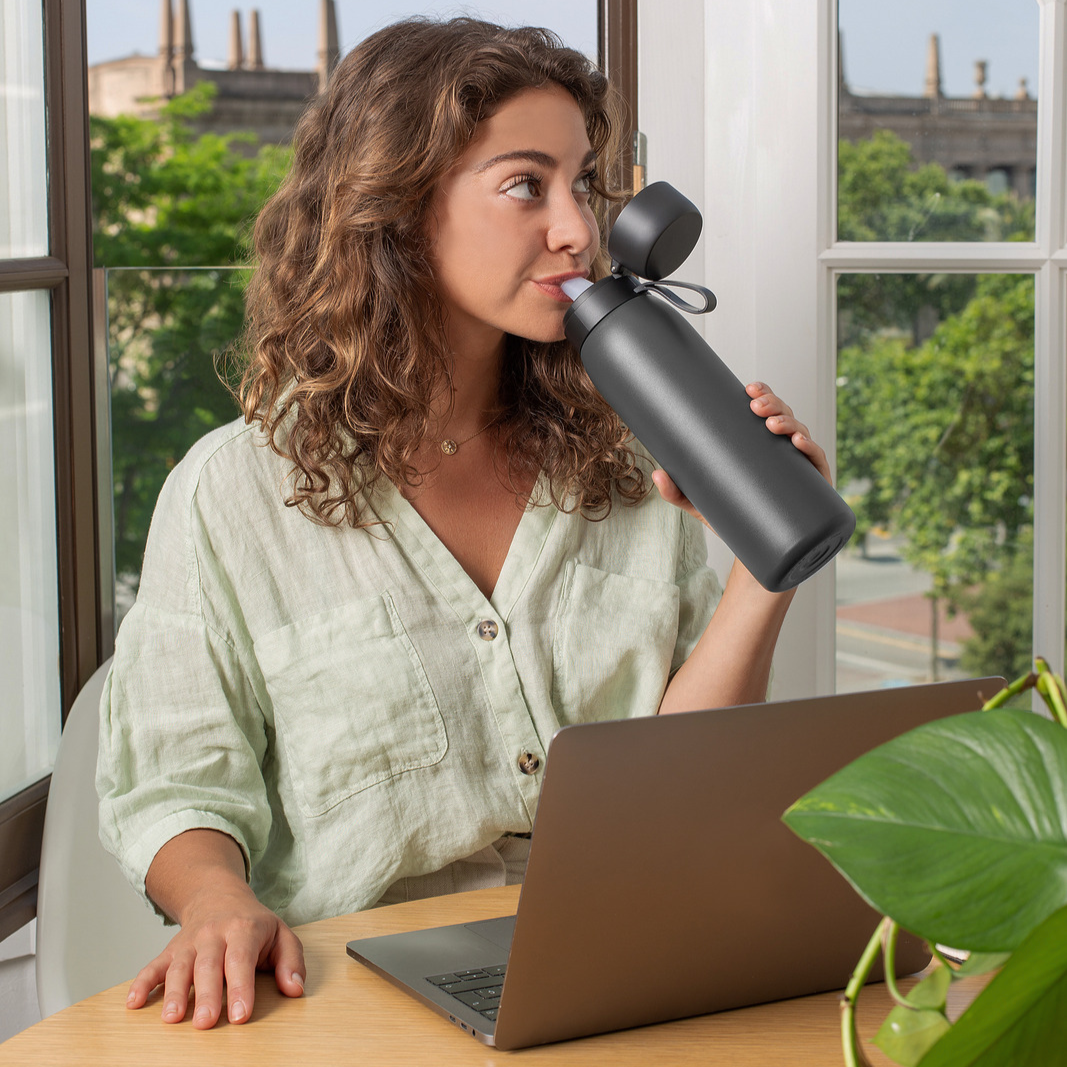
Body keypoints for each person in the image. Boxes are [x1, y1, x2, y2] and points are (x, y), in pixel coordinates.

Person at [97, 17, 831, 1032]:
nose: (576, 230)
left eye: (582, 184)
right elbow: (176, 784)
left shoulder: (620, 463)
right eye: (526, 185)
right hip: (349, 999)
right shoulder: (232, 493)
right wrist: (220, 898)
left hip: (626, 970)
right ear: (397, 206)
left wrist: (764, 567)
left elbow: (685, 775)